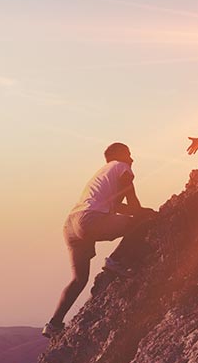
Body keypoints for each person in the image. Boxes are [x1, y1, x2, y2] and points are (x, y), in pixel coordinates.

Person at [42, 142, 156, 338]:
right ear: (120, 155)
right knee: (142, 222)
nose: (132, 159)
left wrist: (141, 211)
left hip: (70, 225)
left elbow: (117, 208)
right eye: (129, 154)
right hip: (89, 220)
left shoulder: (103, 174)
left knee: (79, 279)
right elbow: (132, 203)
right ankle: (117, 260)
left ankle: (54, 324)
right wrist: (147, 214)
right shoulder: (122, 167)